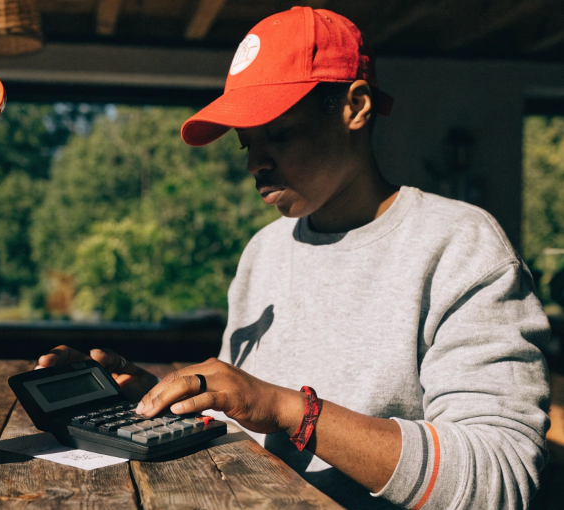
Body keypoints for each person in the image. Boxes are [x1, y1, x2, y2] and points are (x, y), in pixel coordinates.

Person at [36, 6, 550, 509]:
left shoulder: (461, 244)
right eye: (245, 145)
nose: (257, 163)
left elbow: (499, 479)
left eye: (279, 135)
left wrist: (291, 410)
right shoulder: (264, 252)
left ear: (355, 106)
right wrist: (160, 403)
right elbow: (249, 421)